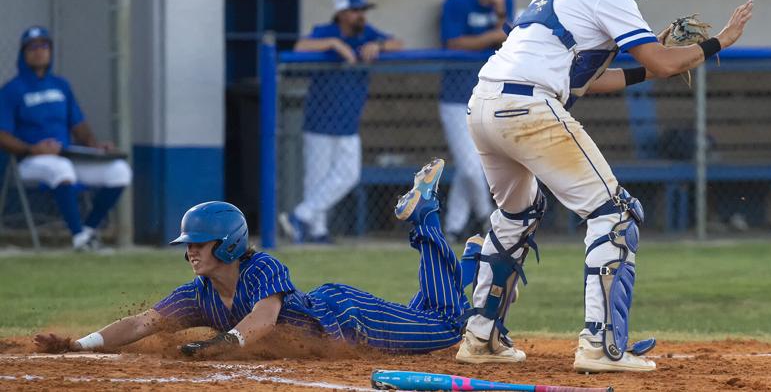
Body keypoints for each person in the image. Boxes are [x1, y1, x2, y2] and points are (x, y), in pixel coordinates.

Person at [458, 0, 753, 372]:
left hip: (483, 105)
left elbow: (590, 79)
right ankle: (600, 347)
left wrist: (656, 58)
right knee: (615, 214)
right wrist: (719, 41)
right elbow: (663, 63)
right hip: (528, 107)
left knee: (518, 212)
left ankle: (480, 338)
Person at [34, 159, 485, 357]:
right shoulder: (199, 295)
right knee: (425, 311)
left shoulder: (262, 268)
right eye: (189, 243)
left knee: (446, 325)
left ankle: (425, 212)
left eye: (199, 243)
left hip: (349, 318)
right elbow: (141, 323)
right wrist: (81, 345)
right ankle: (471, 266)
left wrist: (219, 347)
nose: (190, 250)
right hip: (344, 320)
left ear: (227, 244)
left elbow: (263, 320)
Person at [279, 0, 402, 243]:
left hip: (348, 122)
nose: (361, 16)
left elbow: (398, 43)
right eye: (355, 11)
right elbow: (300, 46)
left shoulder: (367, 34)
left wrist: (377, 45)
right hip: (319, 121)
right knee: (316, 178)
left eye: (362, 10)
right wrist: (334, 44)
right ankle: (316, 231)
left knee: (348, 175)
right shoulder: (327, 32)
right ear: (341, 13)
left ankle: (300, 215)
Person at [0, 26, 132, 250]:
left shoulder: (61, 86)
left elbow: (78, 125)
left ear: (50, 51)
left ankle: (88, 231)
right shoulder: (12, 90)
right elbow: (2, 135)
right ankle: (78, 238)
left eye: (44, 46)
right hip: (28, 161)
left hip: (66, 155)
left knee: (119, 171)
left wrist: (95, 146)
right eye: (32, 47)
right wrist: (32, 149)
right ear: (23, 53)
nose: (39, 51)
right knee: (61, 169)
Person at [439, 0, 515, 242]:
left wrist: (501, 15)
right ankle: (487, 218)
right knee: (472, 166)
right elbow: (452, 43)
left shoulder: (504, 0)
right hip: (455, 97)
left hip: (488, 94)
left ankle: (454, 227)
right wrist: (494, 34)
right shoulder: (457, 1)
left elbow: (512, 39)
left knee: (473, 164)